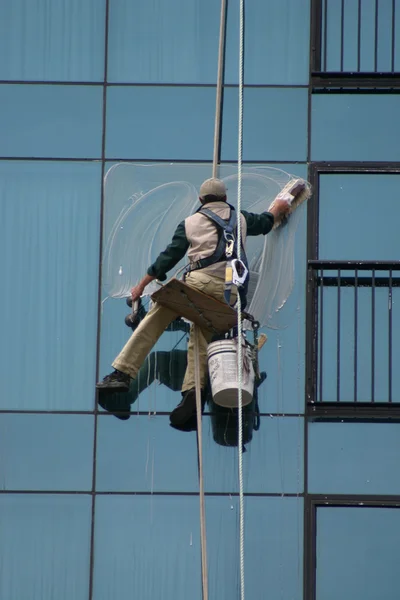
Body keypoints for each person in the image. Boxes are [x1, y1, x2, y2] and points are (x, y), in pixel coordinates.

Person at [96, 178, 290, 427]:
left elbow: (168, 258)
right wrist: (281, 206)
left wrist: (141, 286)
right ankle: (192, 394)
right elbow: (266, 222)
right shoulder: (240, 219)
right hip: (229, 295)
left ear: (201, 200)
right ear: (225, 198)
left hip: (200, 283)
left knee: (157, 316)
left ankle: (122, 372)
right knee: (200, 334)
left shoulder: (191, 222)